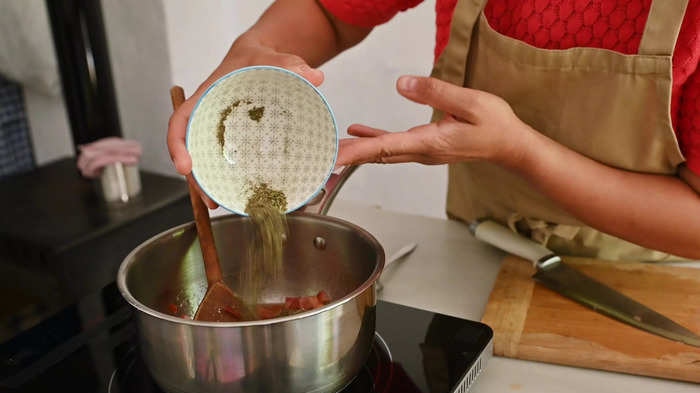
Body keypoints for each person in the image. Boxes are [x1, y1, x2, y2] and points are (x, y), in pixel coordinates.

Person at [167, 0, 700, 261]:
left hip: (643, 290)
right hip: (481, 252)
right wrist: (256, 47)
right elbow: (331, 13)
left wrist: (523, 152)